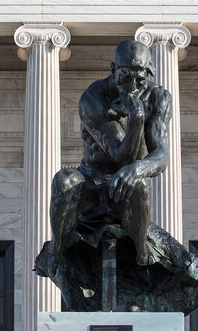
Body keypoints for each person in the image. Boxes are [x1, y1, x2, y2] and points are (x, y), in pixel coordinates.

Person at [49, 39, 169, 268]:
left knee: (140, 185)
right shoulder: (93, 98)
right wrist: (136, 119)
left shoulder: (158, 98)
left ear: (149, 73)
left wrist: (138, 169)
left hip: (125, 193)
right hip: (92, 184)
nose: (132, 86)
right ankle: (57, 254)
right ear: (113, 70)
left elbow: (162, 155)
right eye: (125, 77)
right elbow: (121, 156)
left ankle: (142, 257)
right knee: (64, 181)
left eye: (140, 79)